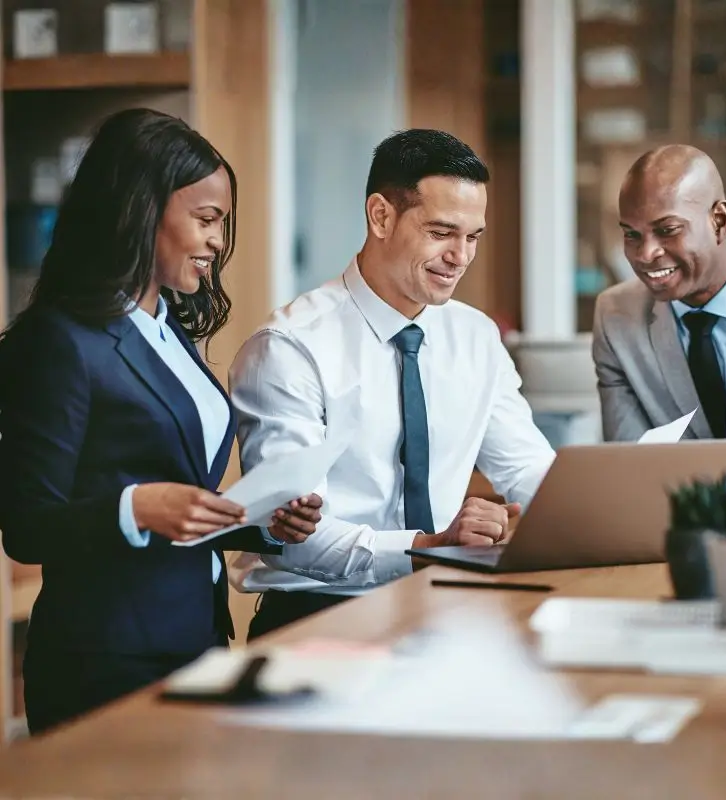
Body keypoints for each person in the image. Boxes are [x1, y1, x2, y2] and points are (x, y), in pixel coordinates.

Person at [0, 108, 321, 734]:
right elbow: (28, 526)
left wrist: (258, 522)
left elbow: (174, 497)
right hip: (104, 661)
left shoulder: (168, 334)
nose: (218, 242)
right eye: (205, 220)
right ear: (140, 210)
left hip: (195, 639)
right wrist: (137, 507)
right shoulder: (62, 339)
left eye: (223, 224)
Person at [228, 128, 556, 639]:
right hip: (319, 621)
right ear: (381, 216)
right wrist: (429, 546)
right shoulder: (290, 348)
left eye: (472, 237)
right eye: (442, 232)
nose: (461, 256)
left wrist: (593, 516)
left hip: (448, 612)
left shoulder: (475, 337)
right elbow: (294, 538)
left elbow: (527, 468)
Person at [593, 144, 726, 481]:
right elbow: (629, 465)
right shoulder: (615, 316)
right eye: (632, 235)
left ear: (719, 221)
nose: (646, 254)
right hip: (676, 525)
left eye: (667, 230)